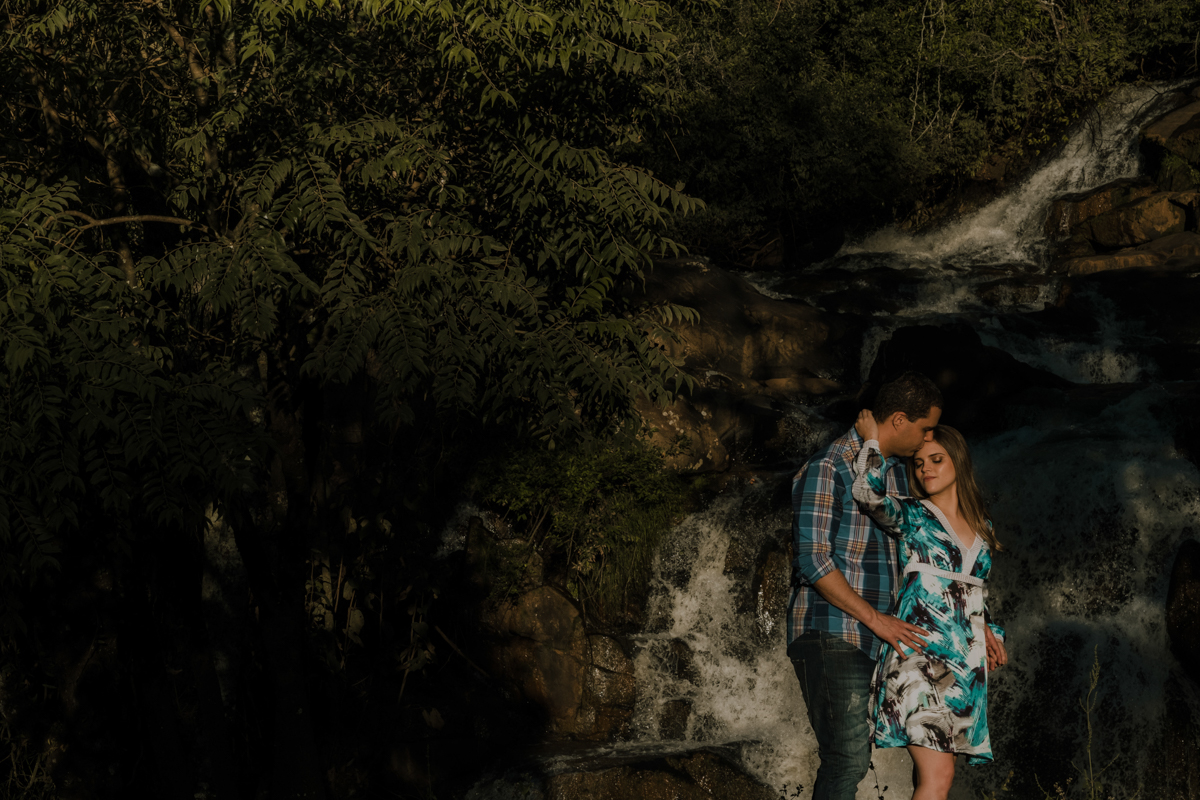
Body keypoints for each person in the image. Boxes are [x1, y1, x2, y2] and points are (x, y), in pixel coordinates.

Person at [787, 371, 944, 800]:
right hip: (833, 631)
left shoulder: (891, 475)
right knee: (847, 758)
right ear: (898, 419)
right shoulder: (828, 467)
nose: (930, 437)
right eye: (925, 426)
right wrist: (879, 621)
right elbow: (814, 559)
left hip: (874, 637)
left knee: (854, 756)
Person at [851, 412, 1008, 800]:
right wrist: (872, 441)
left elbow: (971, 593)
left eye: (936, 460)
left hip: (960, 666)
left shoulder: (984, 528)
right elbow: (868, 494)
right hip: (917, 658)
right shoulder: (914, 516)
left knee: (941, 778)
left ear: (958, 461)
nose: (925, 470)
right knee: (936, 778)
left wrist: (988, 629)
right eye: (919, 464)